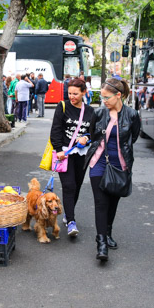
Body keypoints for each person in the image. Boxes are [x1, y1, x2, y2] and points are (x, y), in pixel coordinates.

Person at [85, 77, 140, 261]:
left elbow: (134, 137)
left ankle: (107, 233)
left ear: (119, 96)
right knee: (101, 204)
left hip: (120, 166)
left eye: (107, 97)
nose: (104, 101)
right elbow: (93, 136)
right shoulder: (99, 113)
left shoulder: (132, 115)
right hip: (98, 163)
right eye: (102, 98)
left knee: (112, 203)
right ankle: (101, 244)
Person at [50, 77, 94, 238]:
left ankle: (68, 214)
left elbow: (94, 133)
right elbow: (55, 129)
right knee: (68, 185)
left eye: (75, 93)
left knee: (76, 186)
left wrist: (86, 138)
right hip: (64, 154)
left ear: (84, 92)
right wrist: (58, 149)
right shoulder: (62, 106)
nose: (72, 96)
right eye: (69, 93)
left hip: (81, 155)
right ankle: (71, 222)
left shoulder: (90, 111)